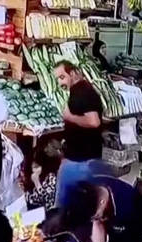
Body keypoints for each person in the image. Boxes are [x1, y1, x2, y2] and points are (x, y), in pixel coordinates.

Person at [54, 61, 104, 208]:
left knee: (64, 205)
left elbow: (94, 122)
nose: (60, 82)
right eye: (58, 78)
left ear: (73, 73)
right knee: (85, 205)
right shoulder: (84, 90)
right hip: (88, 158)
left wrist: (69, 117)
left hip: (79, 160)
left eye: (62, 77)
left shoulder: (82, 92)